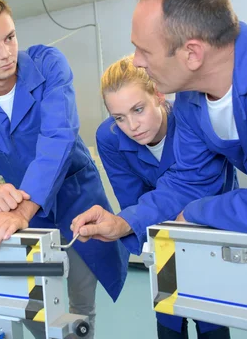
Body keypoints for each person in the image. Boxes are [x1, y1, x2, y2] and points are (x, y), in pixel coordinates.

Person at [72, 0, 247, 263]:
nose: (136, 61)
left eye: (143, 50)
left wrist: (197, 212)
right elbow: (188, 183)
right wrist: (123, 223)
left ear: (192, 54)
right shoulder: (190, 101)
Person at [0, 0, 129, 338]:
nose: (6, 53)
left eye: (10, 37)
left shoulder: (47, 64)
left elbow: (57, 140)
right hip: (24, 211)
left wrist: (21, 212)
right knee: (33, 304)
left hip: (76, 200)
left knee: (79, 307)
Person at [95, 54, 233, 338]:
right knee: (167, 310)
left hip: (207, 223)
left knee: (210, 314)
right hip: (157, 230)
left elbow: (199, 189)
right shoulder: (110, 138)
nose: (132, 126)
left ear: (158, 94)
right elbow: (131, 198)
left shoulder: (192, 122)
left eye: (138, 109)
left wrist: (132, 221)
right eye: (119, 117)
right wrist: (139, 227)